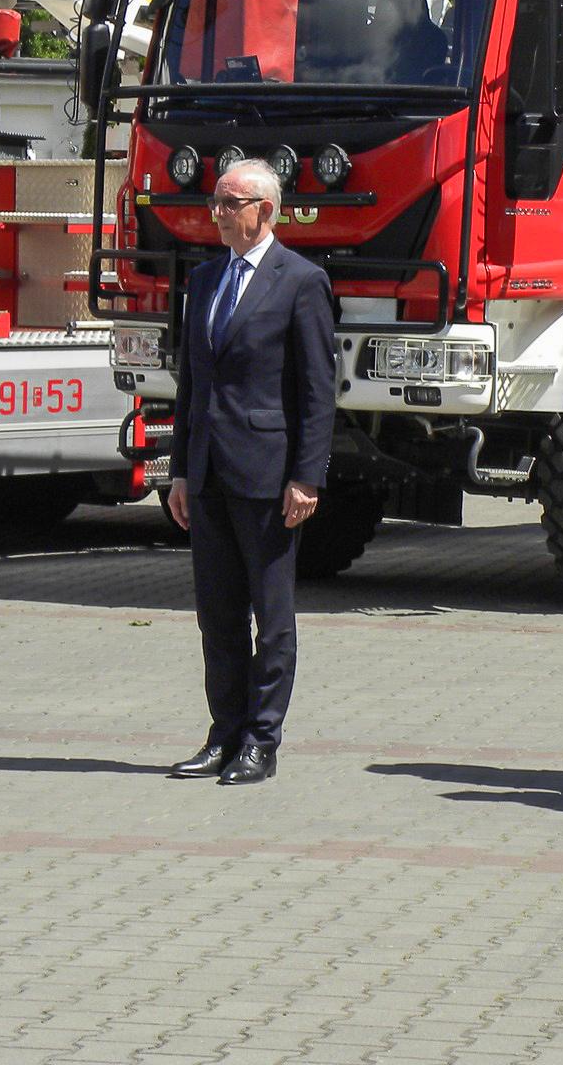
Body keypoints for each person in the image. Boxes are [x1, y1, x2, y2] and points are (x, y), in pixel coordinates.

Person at [166, 157, 337, 786]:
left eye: (228, 202)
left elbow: (317, 389)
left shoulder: (302, 281)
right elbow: (192, 384)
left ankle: (262, 741)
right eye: (214, 201)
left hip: (267, 474)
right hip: (209, 472)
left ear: (264, 210)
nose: (216, 212)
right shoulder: (205, 278)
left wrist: (307, 476)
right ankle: (224, 733)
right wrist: (180, 470)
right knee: (218, 616)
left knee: (271, 615)